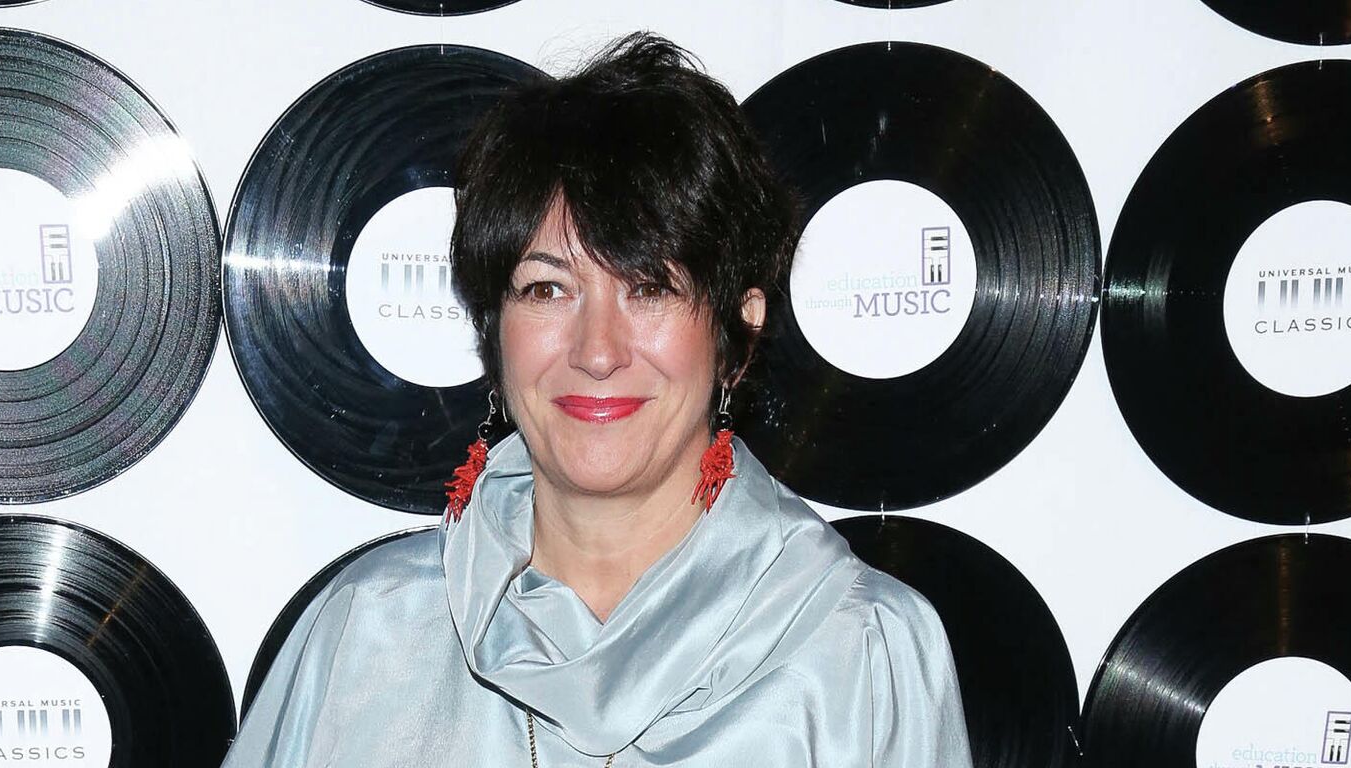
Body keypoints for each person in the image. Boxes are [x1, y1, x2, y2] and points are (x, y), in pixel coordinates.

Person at [223, 33, 973, 768]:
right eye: (548, 289)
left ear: (738, 327)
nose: (597, 350)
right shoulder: (366, 634)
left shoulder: (866, 651)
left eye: (650, 287)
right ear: (495, 328)